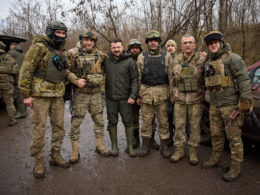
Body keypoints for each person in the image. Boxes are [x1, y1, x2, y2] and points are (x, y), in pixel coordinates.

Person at [18, 21, 86, 178]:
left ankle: (55, 155)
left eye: (63, 33)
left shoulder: (60, 51)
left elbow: (65, 71)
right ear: (50, 32)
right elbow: (26, 71)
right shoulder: (38, 47)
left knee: (59, 128)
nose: (61, 35)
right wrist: (26, 95)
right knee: (39, 130)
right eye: (58, 32)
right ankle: (39, 162)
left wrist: (76, 80)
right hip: (40, 96)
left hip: (57, 96)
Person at [202, 31, 252, 182]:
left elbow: (244, 80)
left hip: (230, 106)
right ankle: (215, 158)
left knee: (234, 138)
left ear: (221, 42)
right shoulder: (208, 62)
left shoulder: (233, 58)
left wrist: (244, 103)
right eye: (210, 44)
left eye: (216, 42)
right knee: (215, 135)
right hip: (214, 105)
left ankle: (235, 168)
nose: (213, 45)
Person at [67, 29, 110, 163]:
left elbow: (107, 71)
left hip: (96, 94)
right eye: (86, 39)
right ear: (82, 40)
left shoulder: (101, 55)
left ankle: (100, 145)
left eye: (91, 40)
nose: (89, 42)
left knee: (99, 120)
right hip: (80, 94)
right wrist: (75, 80)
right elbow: (65, 70)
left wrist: (102, 85)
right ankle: (75, 150)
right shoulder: (72, 53)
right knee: (76, 122)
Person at [169, 34, 206, 165]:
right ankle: (179, 150)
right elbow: (174, 77)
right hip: (179, 99)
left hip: (196, 99)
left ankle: (193, 152)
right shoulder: (176, 59)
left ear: (195, 45)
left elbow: (198, 75)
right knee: (179, 126)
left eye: (190, 42)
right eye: (185, 43)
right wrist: (172, 94)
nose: (188, 45)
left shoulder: (202, 58)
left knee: (195, 127)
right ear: (181, 46)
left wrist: (192, 68)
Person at [137, 30, 171, 158]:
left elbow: (171, 77)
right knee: (146, 121)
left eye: (155, 40)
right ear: (147, 43)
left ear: (158, 42)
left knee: (163, 122)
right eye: (150, 41)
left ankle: (165, 146)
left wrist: (172, 94)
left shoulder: (167, 56)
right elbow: (138, 77)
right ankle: (145, 145)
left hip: (162, 94)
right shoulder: (142, 57)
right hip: (146, 95)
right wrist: (137, 96)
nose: (153, 43)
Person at [103, 38, 139, 157]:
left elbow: (135, 80)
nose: (116, 49)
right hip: (110, 98)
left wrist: (133, 95)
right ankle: (114, 146)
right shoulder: (106, 61)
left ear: (122, 47)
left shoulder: (130, 62)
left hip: (126, 98)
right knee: (112, 122)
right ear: (111, 48)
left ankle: (129, 146)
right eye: (114, 47)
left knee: (128, 122)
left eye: (118, 47)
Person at [128, 39, 159, 149]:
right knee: (134, 118)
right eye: (132, 48)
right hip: (132, 94)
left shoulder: (146, 57)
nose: (135, 49)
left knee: (150, 117)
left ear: (140, 49)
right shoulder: (126, 60)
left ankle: (151, 139)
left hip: (147, 93)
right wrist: (134, 95)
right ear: (129, 49)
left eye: (137, 47)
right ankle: (135, 138)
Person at [0, 41, 19, 126]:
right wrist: (16, 82)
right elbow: (16, 71)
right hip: (7, 82)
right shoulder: (10, 58)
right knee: (9, 102)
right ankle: (12, 119)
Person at [7, 42, 27, 119]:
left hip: (17, 76)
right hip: (25, 75)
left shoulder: (11, 52)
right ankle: (23, 110)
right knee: (24, 93)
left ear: (12, 47)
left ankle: (22, 112)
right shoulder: (23, 53)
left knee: (18, 94)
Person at [165, 39, 178, 145]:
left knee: (179, 118)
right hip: (167, 92)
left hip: (179, 93)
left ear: (175, 47)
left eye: (172, 45)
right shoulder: (163, 59)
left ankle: (180, 140)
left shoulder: (181, 58)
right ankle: (169, 139)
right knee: (167, 117)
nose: (170, 47)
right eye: (168, 46)